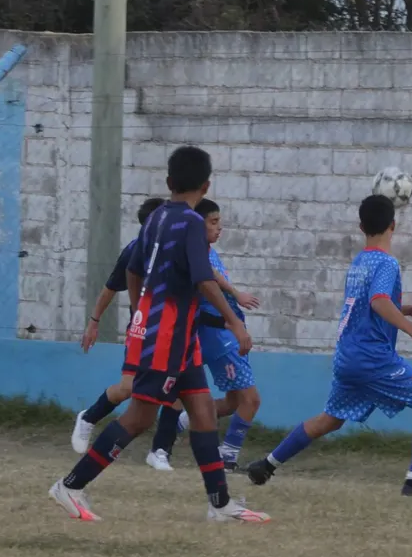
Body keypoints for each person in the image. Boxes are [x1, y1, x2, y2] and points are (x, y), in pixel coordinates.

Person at [49, 145, 270, 524]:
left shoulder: (154, 220)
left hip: (178, 338)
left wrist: (140, 310)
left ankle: (219, 505)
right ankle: (69, 485)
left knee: (202, 415)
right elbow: (203, 280)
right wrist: (234, 322)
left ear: (169, 182)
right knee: (138, 418)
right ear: (206, 184)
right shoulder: (191, 225)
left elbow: (134, 269)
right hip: (168, 336)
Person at [244, 194, 412, 499]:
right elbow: (378, 301)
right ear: (394, 225)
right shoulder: (387, 263)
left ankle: (267, 464)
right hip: (372, 357)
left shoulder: (359, 262)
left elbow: (367, 307)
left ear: (360, 226)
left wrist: (408, 309)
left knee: (331, 418)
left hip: (347, 355)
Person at [70, 196, 183, 472]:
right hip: (142, 329)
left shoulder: (176, 249)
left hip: (171, 330)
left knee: (176, 389)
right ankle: (89, 417)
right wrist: (93, 322)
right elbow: (110, 288)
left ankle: (159, 451)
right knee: (129, 387)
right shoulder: (135, 251)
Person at [175, 198, 261, 472]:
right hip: (219, 336)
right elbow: (209, 279)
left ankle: (180, 421)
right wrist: (235, 301)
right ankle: (228, 456)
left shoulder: (210, 252)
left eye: (219, 222)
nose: (219, 228)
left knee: (234, 401)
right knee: (251, 400)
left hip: (222, 334)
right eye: (213, 223)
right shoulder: (199, 254)